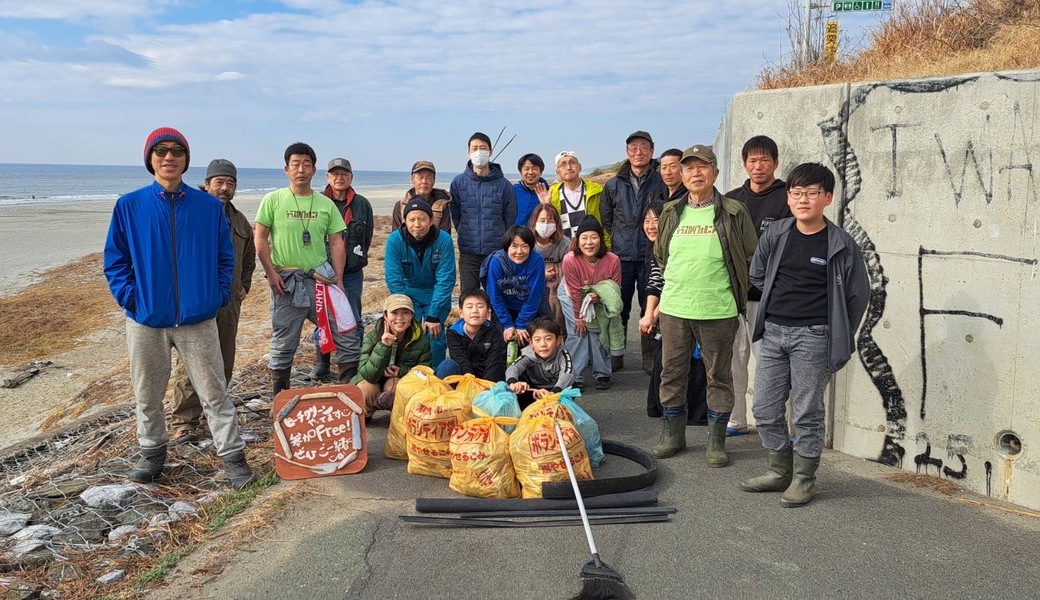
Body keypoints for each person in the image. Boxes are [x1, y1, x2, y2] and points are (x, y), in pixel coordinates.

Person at [103, 127, 254, 489]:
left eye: (176, 151)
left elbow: (225, 257)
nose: (168, 157)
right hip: (146, 320)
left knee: (214, 390)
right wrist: (132, 298)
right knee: (147, 392)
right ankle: (152, 452)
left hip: (198, 319)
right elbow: (116, 260)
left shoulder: (207, 207)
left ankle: (232, 457)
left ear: (186, 160)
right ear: (150, 159)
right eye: (161, 151)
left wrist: (216, 296)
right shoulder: (129, 205)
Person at [739, 162, 869, 507]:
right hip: (774, 332)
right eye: (796, 193)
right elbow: (758, 273)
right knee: (765, 407)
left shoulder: (840, 243)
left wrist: (835, 330)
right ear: (788, 195)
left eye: (812, 193)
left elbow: (858, 294)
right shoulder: (778, 232)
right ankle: (778, 469)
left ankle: (804, 478)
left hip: (814, 335)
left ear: (827, 197)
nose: (803, 200)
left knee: (806, 411)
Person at [651, 144, 758, 465]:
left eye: (702, 167)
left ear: (715, 172)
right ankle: (674, 436)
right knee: (671, 374)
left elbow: (751, 256)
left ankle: (716, 442)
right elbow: (660, 255)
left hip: (719, 309)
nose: (695, 173)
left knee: (719, 376)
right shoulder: (671, 211)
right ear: (681, 175)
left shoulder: (735, 211)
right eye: (689, 168)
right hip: (674, 309)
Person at [255, 142, 362, 395]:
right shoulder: (273, 200)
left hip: (320, 280)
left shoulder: (324, 204)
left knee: (346, 335)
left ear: (314, 170)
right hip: (287, 282)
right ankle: (280, 403)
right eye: (295, 164)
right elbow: (260, 238)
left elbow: (337, 242)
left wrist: (338, 279)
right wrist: (271, 273)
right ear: (286, 169)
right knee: (283, 345)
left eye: (306, 164)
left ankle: (352, 398)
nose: (301, 169)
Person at [168, 159, 256, 446]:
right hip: (195, 302)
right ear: (206, 184)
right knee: (190, 364)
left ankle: (213, 414)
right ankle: (184, 422)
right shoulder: (189, 212)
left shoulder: (240, 220)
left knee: (223, 361)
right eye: (219, 182)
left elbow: (248, 258)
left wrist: (244, 284)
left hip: (228, 303)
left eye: (230, 183)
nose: (224, 187)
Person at [725, 135, 793, 436]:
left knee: (771, 363)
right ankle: (736, 419)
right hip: (732, 296)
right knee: (733, 361)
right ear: (744, 164)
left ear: (776, 163)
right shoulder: (731, 199)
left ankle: (785, 425)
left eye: (765, 160)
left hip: (769, 298)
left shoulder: (787, 198)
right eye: (752, 160)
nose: (758, 166)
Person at [602, 131, 667, 371]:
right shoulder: (613, 184)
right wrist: (619, 240)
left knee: (649, 304)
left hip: (651, 253)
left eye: (643, 147)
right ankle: (616, 354)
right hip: (622, 256)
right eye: (633, 148)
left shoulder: (660, 181)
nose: (638, 152)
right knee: (618, 307)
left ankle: (649, 357)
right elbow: (607, 219)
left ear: (652, 150)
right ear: (627, 152)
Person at [640, 201, 708, 423]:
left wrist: (653, 313)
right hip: (667, 309)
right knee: (667, 362)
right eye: (647, 221)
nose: (651, 226)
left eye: (656, 220)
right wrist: (651, 312)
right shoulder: (655, 246)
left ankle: (687, 415)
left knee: (683, 363)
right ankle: (669, 412)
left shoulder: (673, 245)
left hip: (685, 309)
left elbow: (671, 282)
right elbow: (655, 283)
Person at [311, 157, 374, 382]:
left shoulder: (362, 204)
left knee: (354, 318)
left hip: (352, 273)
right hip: (322, 272)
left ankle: (354, 363)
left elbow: (367, 238)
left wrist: (353, 260)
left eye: (344, 174)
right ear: (327, 177)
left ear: (351, 177)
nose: (340, 178)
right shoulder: (316, 202)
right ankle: (322, 363)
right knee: (323, 319)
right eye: (335, 174)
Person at [385, 197, 456, 366]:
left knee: (434, 333)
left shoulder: (444, 240)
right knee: (409, 331)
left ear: (431, 220)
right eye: (412, 219)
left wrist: (433, 314)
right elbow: (394, 279)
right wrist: (403, 307)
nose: (417, 224)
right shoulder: (395, 240)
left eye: (422, 218)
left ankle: (435, 374)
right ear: (404, 220)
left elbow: (446, 278)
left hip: (435, 293)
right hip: (408, 294)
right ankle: (407, 371)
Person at [450, 132, 517, 293]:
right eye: (474, 148)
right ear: (468, 152)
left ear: (490, 152)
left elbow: (510, 217)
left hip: (496, 252)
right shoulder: (458, 183)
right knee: (468, 297)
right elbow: (456, 214)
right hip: (468, 253)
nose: (479, 152)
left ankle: (495, 320)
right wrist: (466, 233)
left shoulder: (504, 185)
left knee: (497, 297)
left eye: (483, 148)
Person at [562, 216, 622, 391]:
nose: (589, 242)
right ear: (578, 241)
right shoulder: (570, 259)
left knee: (598, 330)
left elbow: (615, 288)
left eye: (594, 237)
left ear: (601, 240)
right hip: (572, 294)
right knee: (578, 332)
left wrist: (599, 296)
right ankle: (575, 376)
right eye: (584, 238)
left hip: (599, 296)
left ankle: (603, 373)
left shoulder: (612, 259)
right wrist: (578, 317)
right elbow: (574, 290)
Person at [351, 294, 433, 416]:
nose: (400, 318)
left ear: (412, 316)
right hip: (373, 381)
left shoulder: (421, 342)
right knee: (364, 388)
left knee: (397, 387)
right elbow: (366, 374)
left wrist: (403, 371)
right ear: (385, 316)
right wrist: (383, 346)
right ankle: (364, 417)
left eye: (405, 312)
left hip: (397, 382)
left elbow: (425, 373)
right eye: (394, 313)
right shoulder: (372, 338)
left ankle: (397, 419)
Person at [483, 225, 547, 345]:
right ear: (507, 247)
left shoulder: (536, 261)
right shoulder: (497, 261)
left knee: (530, 343)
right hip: (504, 309)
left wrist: (522, 324)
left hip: (530, 308)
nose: (519, 251)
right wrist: (507, 324)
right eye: (514, 246)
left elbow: (534, 296)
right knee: (502, 345)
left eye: (524, 246)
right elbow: (494, 296)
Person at [436, 289, 507, 382]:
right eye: (469, 307)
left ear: (488, 313)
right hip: (465, 379)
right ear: (461, 313)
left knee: (499, 368)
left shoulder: (494, 333)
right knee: (447, 366)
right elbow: (461, 360)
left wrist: (485, 389)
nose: (475, 311)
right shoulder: (453, 333)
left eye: (480, 306)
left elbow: (494, 364)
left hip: (488, 380)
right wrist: (472, 385)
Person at [506, 317, 575, 409]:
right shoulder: (528, 354)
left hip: (556, 390)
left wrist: (553, 393)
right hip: (533, 390)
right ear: (531, 343)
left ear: (558, 341)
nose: (543, 344)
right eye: (537, 340)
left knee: (570, 388)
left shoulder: (563, 354)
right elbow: (514, 368)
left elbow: (567, 374)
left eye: (548, 339)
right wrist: (513, 383)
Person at [529, 203, 570, 335]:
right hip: (535, 280)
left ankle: (558, 332)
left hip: (558, 280)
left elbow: (569, 268)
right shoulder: (528, 241)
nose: (546, 224)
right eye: (542, 220)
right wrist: (541, 274)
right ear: (535, 222)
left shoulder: (564, 242)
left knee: (556, 296)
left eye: (550, 220)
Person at [548, 151, 607, 244]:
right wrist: (546, 204)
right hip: (565, 251)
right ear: (557, 172)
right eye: (563, 164)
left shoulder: (597, 191)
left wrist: (607, 247)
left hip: (592, 248)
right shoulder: (551, 195)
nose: (568, 167)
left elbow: (606, 221)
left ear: (580, 167)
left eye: (572, 162)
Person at [393, 160, 452, 234]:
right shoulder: (401, 206)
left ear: (433, 181)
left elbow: (445, 237)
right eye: (420, 177)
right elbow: (395, 237)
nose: (424, 181)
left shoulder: (442, 205)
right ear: (412, 180)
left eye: (428, 177)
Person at [513, 153, 549, 227]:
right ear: (521, 172)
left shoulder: (548, 192)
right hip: (516, 235)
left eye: (534, 168)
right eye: (526, 169)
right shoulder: (513, 191)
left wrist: (547, 204)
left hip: (538, 236)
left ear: (541, 171)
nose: (530, 172)